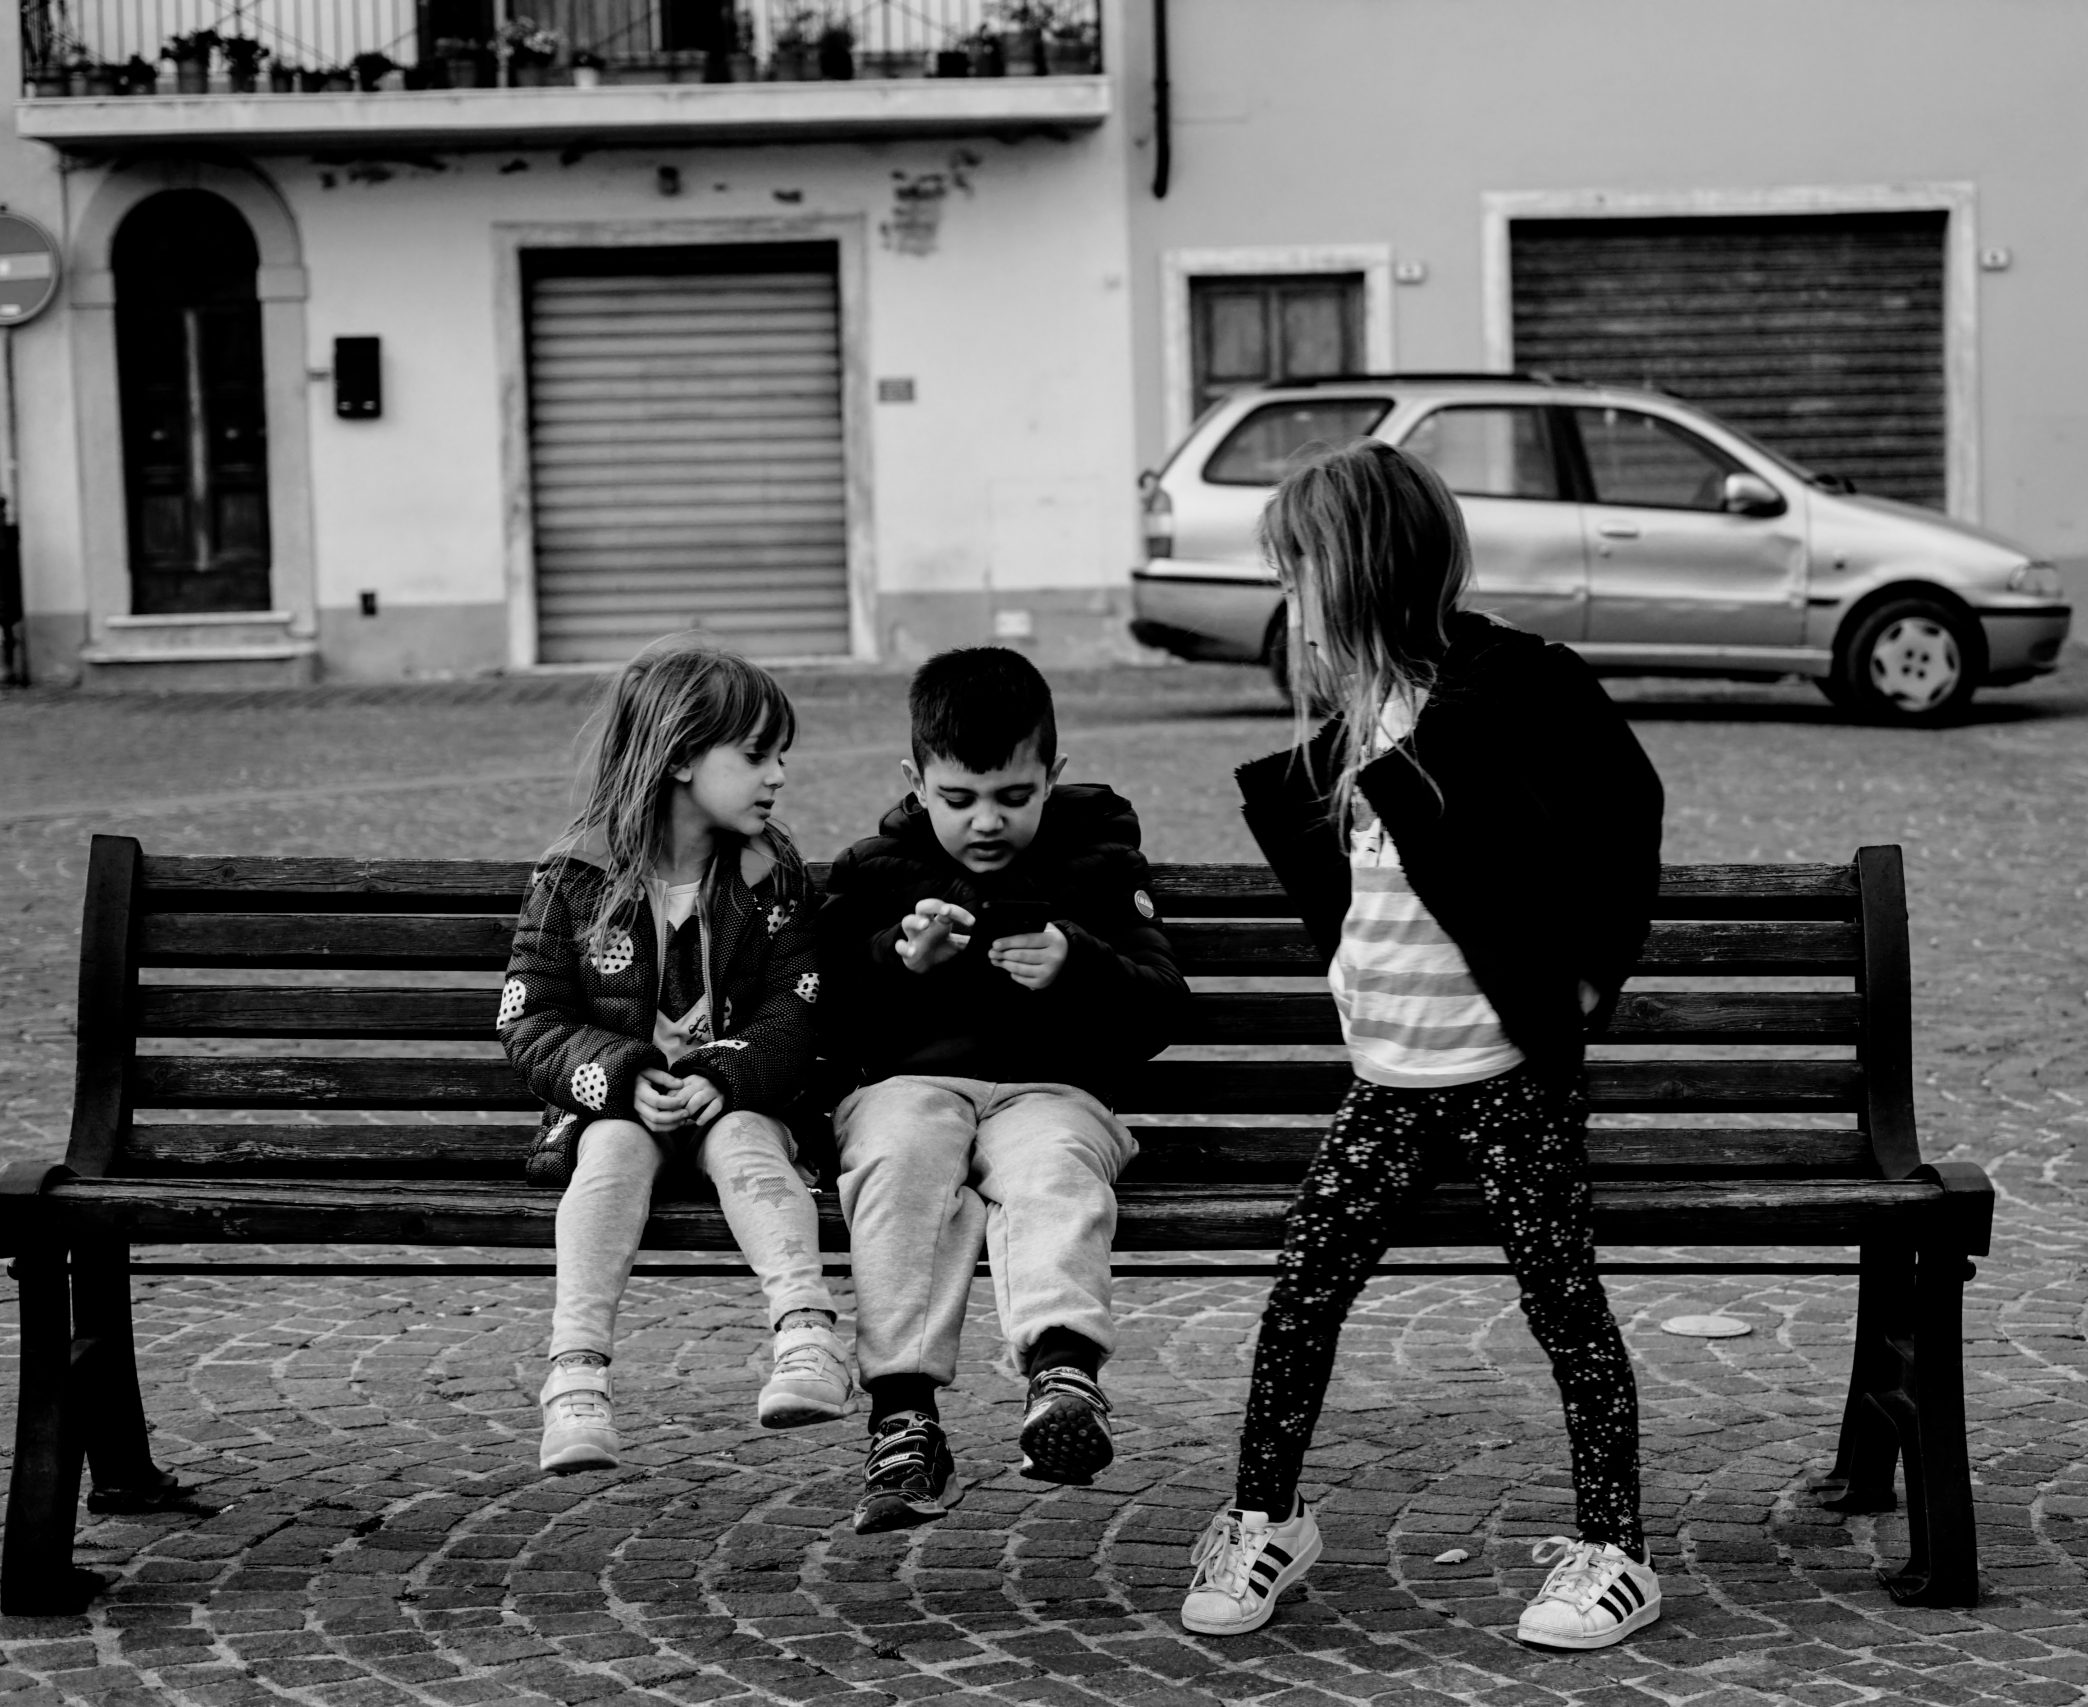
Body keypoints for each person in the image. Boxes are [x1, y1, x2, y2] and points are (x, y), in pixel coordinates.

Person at [1179, 441, 1666, 1650]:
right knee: (1304, 1287)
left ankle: (1616, 1551)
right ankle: (1265, 1518)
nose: (1286, 600)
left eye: (1295, 574)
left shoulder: (1513, 686)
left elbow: (1626, 811)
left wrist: (1587, 979)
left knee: (1563, 1303)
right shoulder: (1356, 719)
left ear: (1357, 573)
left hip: (1506, 1076)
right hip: (1387, 1083)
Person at [817, 647, 1189, 1534]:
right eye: (959, 798)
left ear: (1052, 776)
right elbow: (819, 1009)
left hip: (1049, 1090)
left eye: (1014, 796)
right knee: (898, 1161)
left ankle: (1064, 1375)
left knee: (1054, 1166)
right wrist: (897, 961)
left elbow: (1163, 1006)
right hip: (910, 1086)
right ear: (915, 781)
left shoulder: (1099, 864)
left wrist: (1077, 963)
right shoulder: (874, 872)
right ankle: (904, 1420)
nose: (986, 820)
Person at [501, 640, 847, 1475]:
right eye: (756, 755)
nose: (778, 776)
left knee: (746, 1141)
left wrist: (725, 1073)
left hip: (742, 1105)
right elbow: (529, 1016)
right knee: (612, 1150)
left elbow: (797, 1008)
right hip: (620, 1111)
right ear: (682, 757)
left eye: (781, 756)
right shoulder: (576, 876)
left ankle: (808, 1336)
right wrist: (622, 1076)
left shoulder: (769, 875)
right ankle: (575, 1378)